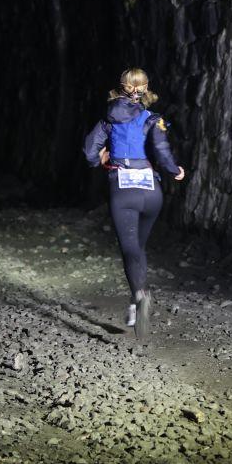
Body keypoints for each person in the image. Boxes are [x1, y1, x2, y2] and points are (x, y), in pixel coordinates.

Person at [83, 67, 185, 342]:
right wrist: (175, 170)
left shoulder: (108, 120)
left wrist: (99, 159)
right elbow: (162, 152)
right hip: (152, 192)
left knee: (130, 249)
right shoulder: (153, 119)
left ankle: (139, 295)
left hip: (123, 191)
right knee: (139, 247)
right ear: (145, 88)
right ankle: (134, 303)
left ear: (122, 87)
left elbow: (90, 150)